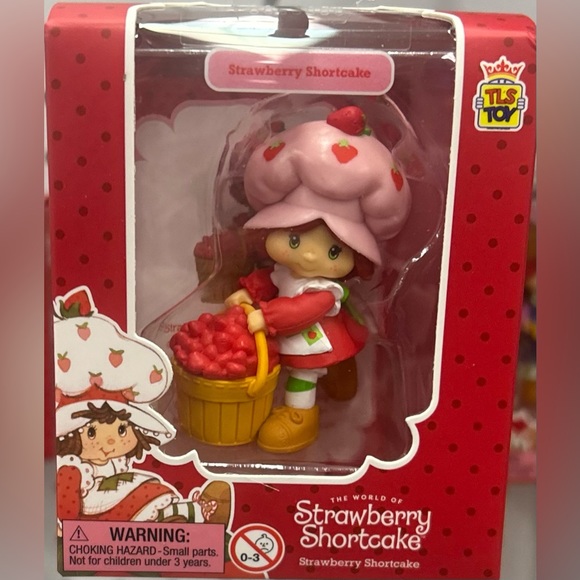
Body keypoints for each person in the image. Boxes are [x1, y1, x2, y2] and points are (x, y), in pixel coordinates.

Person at [226, 106, 411, 453]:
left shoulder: (325, 292)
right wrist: (248, 292)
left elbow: (303, 309)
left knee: (303, 373)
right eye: (294, 240)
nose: (310, 257)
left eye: (333, 251)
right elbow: (273, 278)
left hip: (313, 337)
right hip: (287, 332)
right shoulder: (287, 271)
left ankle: (301, 415)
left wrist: (266, 317)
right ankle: (336, 382)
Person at [54, 288, 231, 532]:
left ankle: (190, 514)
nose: (110, 441)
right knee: (150, 502)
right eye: (92, 432)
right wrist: (67, 529)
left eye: (122, 430)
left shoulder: (114, 461)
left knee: (154, 494)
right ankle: (194, 515)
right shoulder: (72, 468)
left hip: (125, 499)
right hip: (103, 515)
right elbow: (65, 504)